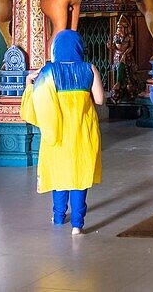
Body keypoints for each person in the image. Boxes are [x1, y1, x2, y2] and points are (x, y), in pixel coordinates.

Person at [20, 30, 104, 235]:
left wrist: (29, 83)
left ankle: (58, 217)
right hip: (83, 130)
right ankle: (77, 224)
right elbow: (100, 100)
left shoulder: (48, 71)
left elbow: (37, 103)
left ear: (55, 49)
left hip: (56, 132)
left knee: (59, 174)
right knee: (80, 174)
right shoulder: (89, 68)